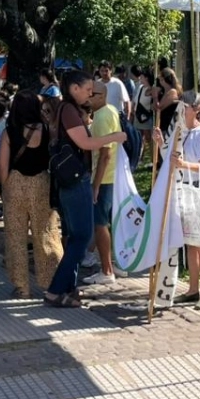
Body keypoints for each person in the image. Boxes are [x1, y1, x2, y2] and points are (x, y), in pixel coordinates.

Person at [44, 70, 126, 308]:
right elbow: (85, 143)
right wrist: (115, 136)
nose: (90, 95)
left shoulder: (65, 109)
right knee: (82, 237)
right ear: (74, 88)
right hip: (75, 181)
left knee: (77, 237)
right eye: (88, 90)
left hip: (72, 181)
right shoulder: (68, 110)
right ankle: (56, 290)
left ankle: (68, 288)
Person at [0, 90, 62, 298]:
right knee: (45, 232)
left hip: (16, 181)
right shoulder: (46, 129)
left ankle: (21, 287)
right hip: (41, 182)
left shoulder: (10, 131)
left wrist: (6, 186)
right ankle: (51, 281)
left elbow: (2, 165)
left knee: (15, 236)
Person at [159, 90, 200, 307]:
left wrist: (184, 165)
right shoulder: (180, 131)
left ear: (197, 109)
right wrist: (159, 143)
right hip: (183, 188)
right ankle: (193, 288)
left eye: (185, 106)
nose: (181, 110)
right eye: (180, 106)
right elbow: (171, 158)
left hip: (199, 190)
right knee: (190, 242)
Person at [81, 80, 122, 287]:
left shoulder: (101, 118)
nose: (87, 96)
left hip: (105, 177)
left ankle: (106, 269)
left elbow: (105, 154)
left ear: (101, 96)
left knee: (100, 224)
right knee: (108, 223)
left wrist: (95, 185)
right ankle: (114, 264)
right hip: (113, 175)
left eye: (91, 93)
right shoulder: (110, 111)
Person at [154, 67, 180, 137]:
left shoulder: (172, 92)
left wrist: (155, 96)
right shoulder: (163, 91)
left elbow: (159, 108)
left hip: (167, 125)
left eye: (161, 79)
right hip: (162, 124)